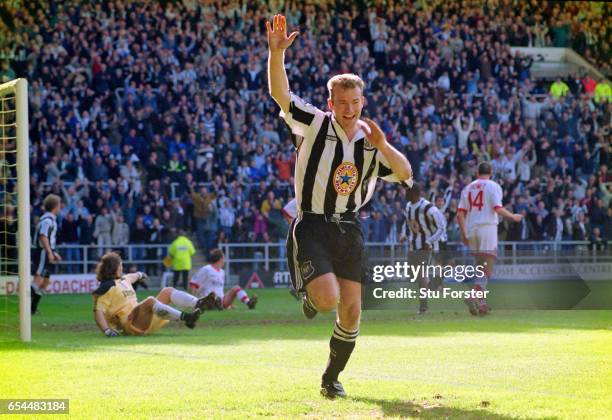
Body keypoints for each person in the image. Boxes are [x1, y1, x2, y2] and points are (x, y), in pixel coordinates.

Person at [267, 14, 412, 399]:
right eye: (342, 103)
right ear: (331, 103)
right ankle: (310, 294)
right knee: (328, 298)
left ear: (362, 101)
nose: (349, 109)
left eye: (355, 102)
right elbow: (281, 95)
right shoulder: (313, 123)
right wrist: (276, 54)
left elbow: (405, 172)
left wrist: (383, 145)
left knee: (351, 311)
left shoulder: (371, 140)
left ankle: (331, 378)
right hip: (313, 223)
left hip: (350, 227)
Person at [92, 252, 215, 336]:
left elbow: (135, 276)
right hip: (131, 325)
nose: (122, 267)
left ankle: (198, 303)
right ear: (116, 268)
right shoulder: (107, 287)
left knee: (167, 291)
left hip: (143, 317)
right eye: (120, 265)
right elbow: (98, 312)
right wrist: (107, 330)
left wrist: (141, 275)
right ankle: (187, 318)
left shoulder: (124, 279)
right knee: (150, 300)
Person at [457, 162, 523, 316]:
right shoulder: (493, 186)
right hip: (487, 228)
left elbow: (460, 214)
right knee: (488, 267)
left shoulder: (468, 188)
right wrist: (513, 217)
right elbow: (497, 208)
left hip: (472, 228)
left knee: (480, 266)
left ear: (477, 173)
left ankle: (481, 303)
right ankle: (474, 295)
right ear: (491, 172)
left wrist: (464, 233)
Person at [400, 182, 446, 313]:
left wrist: (430, 241)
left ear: (414, 193)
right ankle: (433, 284)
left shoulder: (428, 208)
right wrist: (403, 234)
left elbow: (441, 227)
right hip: (412, 245)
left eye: (407, 191)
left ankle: (423, 307)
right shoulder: (408, 206)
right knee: (413, 276)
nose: (405, 194)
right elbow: (407, 222)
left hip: (425, 247)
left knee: (420, 275)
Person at [189, 248, 257, 310]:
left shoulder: (222, 272)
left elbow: (219, 290)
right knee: (213, 297)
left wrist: (230, 304)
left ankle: (249, 303)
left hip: (221, 301)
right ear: (220, 259)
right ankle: (215, 305)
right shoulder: (206, 269)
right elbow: (193, 284)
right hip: (208, 300)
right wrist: (193, 303)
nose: (224, 260)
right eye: (223, 258)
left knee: (236, 288)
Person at [31, 194, 62, 314]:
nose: (60, 207)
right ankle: (25, 301)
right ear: (55, 206)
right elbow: (43, 237)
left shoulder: (50, 220)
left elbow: (48, 238)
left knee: (45, 282)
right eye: (59, 205)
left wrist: (54, 252)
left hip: (47, 251)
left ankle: (32, 308)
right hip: (42, 252)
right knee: (38, 280)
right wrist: (49, 252)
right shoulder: (47, 221)